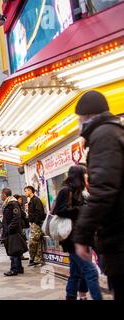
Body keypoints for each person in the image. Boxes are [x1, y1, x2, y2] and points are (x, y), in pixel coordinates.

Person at [72, 90, 124, 301]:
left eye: (79, 118)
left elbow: (103, 190)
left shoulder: (104, 136)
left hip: (120, 240)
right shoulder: (114, 132)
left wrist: (82, 235)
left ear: (87, 116)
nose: (78, 124)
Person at [53, 165, 102, 300]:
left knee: (76, 273)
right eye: (85, 174)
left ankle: (72, 296)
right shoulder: (65, 191)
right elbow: (59, 210)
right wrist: (80, 210)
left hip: (84, 236)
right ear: (79, 175)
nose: (87, 176)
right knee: (91, 272)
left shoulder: (82, 192)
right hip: (71, 239)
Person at [1, 188, 26, 276]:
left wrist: (9, 228)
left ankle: (14, 269)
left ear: (4, 194)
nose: (1, 196)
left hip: (13, 231)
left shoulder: (13, 203)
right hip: (11, 230)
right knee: (16, 250)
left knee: (13, 250)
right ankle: (19, 268)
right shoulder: (8, 203)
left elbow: (17, 217)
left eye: (1, 194)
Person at [25, 185, 46, 267]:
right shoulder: (31, 200)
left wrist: (36, 222)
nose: (25, 192)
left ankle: (33, 258)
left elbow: (39, 212)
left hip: (36, 224)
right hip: (33, 223)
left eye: (26, 191)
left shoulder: (36, 200)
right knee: (37, 242)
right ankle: (36, 259)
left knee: (32, 242)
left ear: (30, 191)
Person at [14, 194, 30, 261]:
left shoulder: (19, 206)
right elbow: (22, 215)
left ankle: (21, 255)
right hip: (19, 227)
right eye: (20, 199)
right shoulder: (16, 206)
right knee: (21, 241)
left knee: (22, 241)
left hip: (21, 226)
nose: (21, 200)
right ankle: (20, 255)